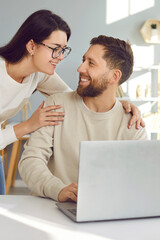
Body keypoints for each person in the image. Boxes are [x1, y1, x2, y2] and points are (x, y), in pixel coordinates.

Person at [0, 10, 142, 195]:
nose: (60, 56)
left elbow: (77, 98)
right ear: (31, 45)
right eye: (54, 48)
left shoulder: (38, 73)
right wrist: (28, 126)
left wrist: (121, 105)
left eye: (63, 49)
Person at [18, 35, 149, 202]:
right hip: (52, 206)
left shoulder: (132, 122)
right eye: (83, 60)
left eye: (91, 63)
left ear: (114, 77)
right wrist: (57, 189)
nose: (80, 68)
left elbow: (141, 178)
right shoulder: (56, 105)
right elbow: (31, 160)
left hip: (107, 209)